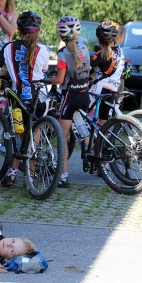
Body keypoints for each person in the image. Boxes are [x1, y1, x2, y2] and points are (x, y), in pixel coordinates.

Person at [0, 11, 51, 187]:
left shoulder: (8, 48)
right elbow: (44, 70)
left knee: (21, 138)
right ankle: (29, 176)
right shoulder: (44, 49)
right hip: (40, 100)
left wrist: (9, 72)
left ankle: (13, 174)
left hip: (18, 102)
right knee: (33, 138)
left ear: (18, 29)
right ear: (38, 31)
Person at [49, 16, 92, 188]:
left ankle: (63, 176)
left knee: (62, 136)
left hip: (70, 96)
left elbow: (59, 79)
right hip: (85, 94)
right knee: (81, 125)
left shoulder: (62, 53)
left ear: (61, 35)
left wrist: (47, 80)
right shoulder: (84, 47)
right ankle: (90, 150)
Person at [89, 20, 125, 122]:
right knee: (104, 120)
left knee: (80, 112)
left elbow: (86, 69)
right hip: (113, 89)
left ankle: (86, 138)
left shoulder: (101, 54)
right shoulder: (120, 51)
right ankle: (102, 138)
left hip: (100, 87)